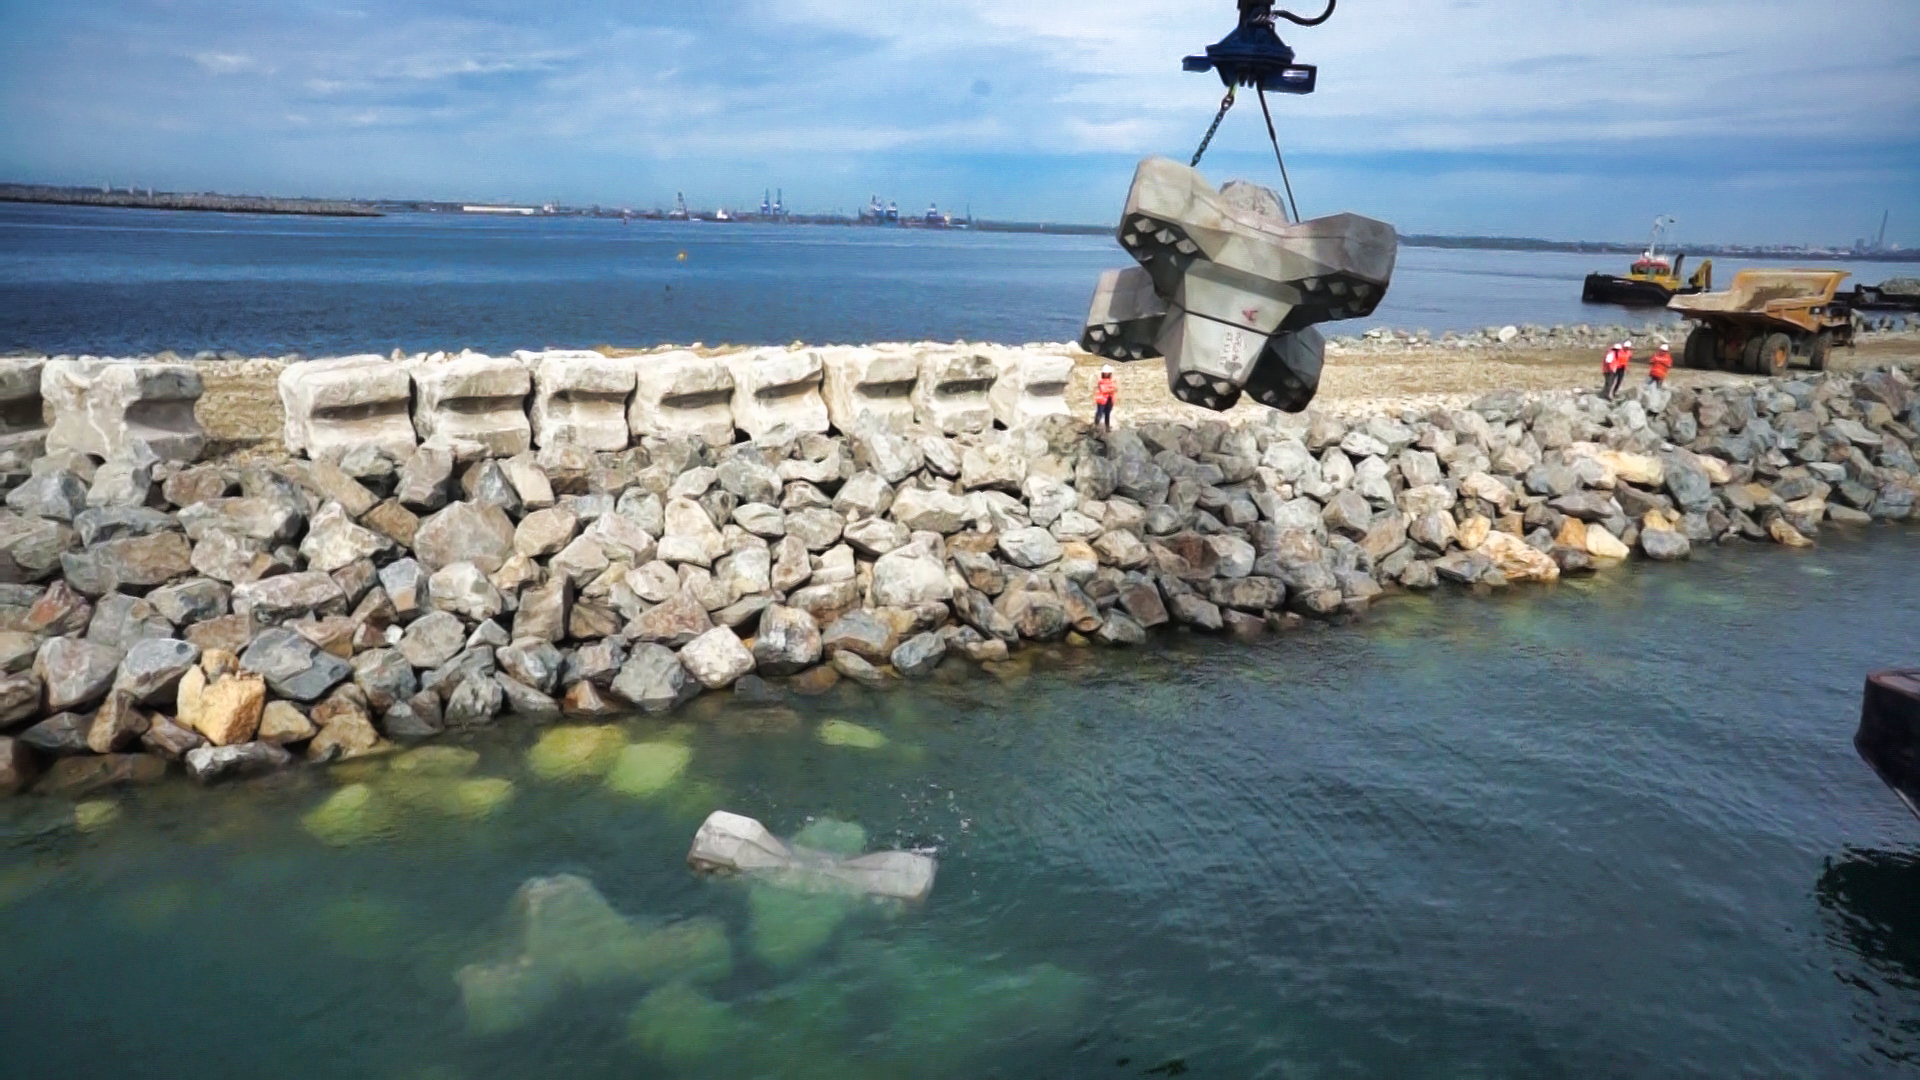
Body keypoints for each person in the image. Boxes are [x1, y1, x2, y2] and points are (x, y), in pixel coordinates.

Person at [1093, 364, 1117, 430]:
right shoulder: (1100, 380)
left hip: (1109, 399)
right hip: (1102, 400)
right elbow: (1103, 389)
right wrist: (1110, 389)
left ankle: (1107, 427)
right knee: (1099, 413)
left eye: (1107, 373)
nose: (1106, 374)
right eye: (1105, 373)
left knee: (1107, 414)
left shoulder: (1112, 380)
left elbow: (1114, 388)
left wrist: (1109, 389)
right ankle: (1096, 426)